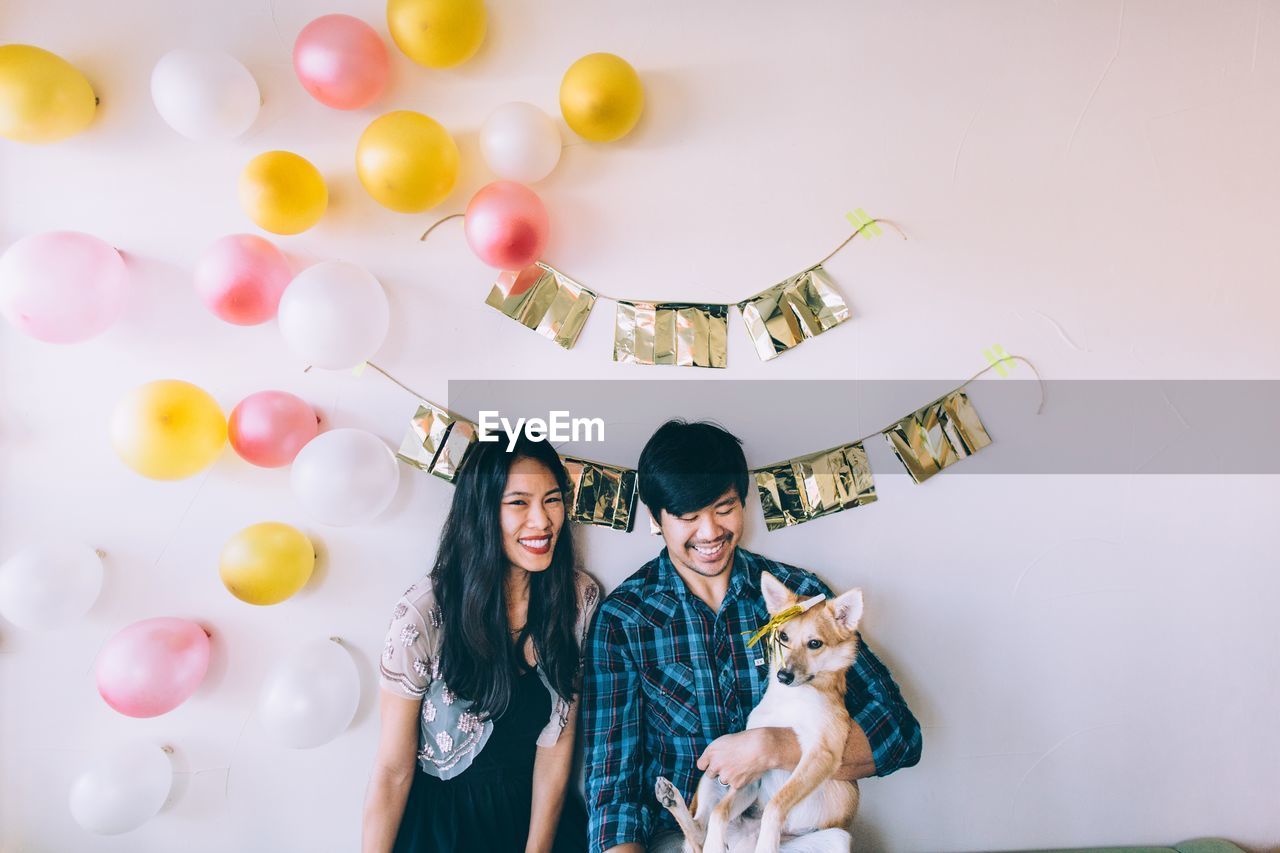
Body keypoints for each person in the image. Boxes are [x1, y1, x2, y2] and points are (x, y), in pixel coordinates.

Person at [582, 420, 922, 853]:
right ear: (656, 518)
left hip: (795, 833)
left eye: (724, 509)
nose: (709, 532)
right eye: (688, 517)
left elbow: (900, 734)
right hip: (689, 837)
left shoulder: (799, 599)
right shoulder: (625, 620)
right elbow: (612, 790)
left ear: (743, 502)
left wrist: (775, 747)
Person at [362, 434, 600, 853]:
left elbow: (559, 745)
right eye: (519, 502)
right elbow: (393, 769)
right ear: (483, 512)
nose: (542, 521)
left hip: (539, 820)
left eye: (552, 499)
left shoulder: (576, 599)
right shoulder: (425, 611)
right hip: (445, 827)